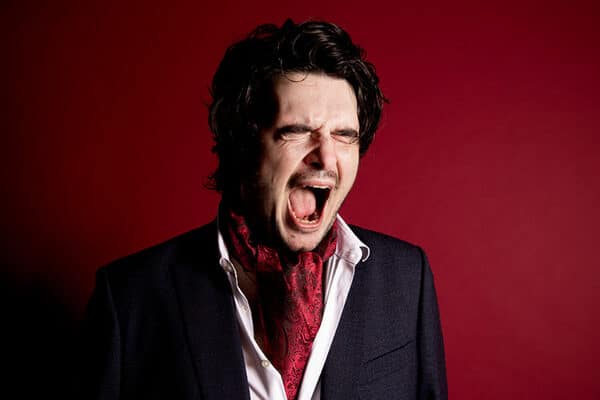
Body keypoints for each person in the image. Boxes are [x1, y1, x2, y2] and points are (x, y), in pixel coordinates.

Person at [78, 19, 447, 400]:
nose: (325, 157)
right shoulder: (131, 296)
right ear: (243, 143)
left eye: (343, 136)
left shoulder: (408, 279)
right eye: (296, 131)